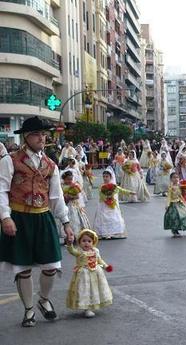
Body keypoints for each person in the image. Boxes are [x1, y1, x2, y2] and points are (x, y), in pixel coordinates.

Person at [0, 116, 74, 327]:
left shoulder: (50, 164)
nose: (42, 138)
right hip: (19, 217)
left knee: (51, 264)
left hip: (43, 217)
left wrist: (66, 222)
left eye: (44, 134)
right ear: (26, 136)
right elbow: (1, 190)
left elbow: (56, 196)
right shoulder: (10, 160)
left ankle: (43, 298)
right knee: (23, 268)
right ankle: (29, 310)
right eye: (37, 134)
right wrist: (5, 217)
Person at [66, 229, 113, 318]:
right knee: (85, 290)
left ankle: (93, 305)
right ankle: (86, 308)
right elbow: (72, 251)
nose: (86, 243)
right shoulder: (79, 252)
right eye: (83, 241)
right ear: (80, 242)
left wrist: (106, 266)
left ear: (93, 242)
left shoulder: (95, 251)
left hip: (96, 273)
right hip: (83, 275)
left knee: (94, 289)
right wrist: (69, 244)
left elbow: (99, 260)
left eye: (89, 241)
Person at [94, 168, 133, 239]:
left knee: (113, 217)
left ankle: (114, 232)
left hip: (112, 204)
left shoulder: (113, 186)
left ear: (110, 177)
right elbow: (101, 195)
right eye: (104, 177)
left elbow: (121, 190)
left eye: (107, 176)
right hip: (103, 204)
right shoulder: (101, 186)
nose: (105, 178)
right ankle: (104, 233)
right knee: (103, 217)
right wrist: (106, 198)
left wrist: (130, 192)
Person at [61, 171, 91, 236]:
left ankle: (76, 235)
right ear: (64, 179)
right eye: (68, 179)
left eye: (71, 179)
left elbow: (77, 196)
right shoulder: (62, 186)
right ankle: (67, 236)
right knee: (67, 219)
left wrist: (70, 196)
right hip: (66, 205)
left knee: (75, 219)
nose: (69, 181)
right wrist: (64, 197)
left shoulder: (74, 186)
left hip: (73, 205)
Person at [164, 172, 186, 238]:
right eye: (174, 177)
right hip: (173, 204)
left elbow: (182, 194)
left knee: (185, 215)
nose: (176, 179)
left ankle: (180, 227)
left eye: (177, 177)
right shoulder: (171, 187)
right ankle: (174, 230)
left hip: (179, 203)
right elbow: (169, 196)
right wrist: (167, 204)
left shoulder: (180, 186)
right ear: (171, 179)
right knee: (175, 217)